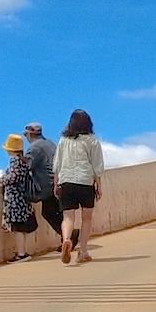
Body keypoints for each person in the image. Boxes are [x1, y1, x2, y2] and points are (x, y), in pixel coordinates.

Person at [53, 109, 104, 265]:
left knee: (68, 216)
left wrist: (56, 183)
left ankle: (67, 239)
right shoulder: (92, 140)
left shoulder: (63, 140)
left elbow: (57, 164)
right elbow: (97, 165)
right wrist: (99, 185)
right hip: (85, 181)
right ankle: (82, 251)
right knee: (86, 218)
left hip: (66, 181)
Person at [0, 135, 38, 262]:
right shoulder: (24, 161)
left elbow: (14, 177)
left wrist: (2, 180)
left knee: (17, 227)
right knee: (21, 227)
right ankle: (22, 251)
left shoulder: (14, 161)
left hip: (15, 200)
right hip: (23, 198)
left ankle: (21, 254)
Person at [22, 122, 62, 239]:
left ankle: (67, 236)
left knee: (48, 212)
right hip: (58, 181)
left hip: (47, 185)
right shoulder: (50, 143)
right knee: (55, 211)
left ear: (29, 134)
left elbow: (26, 166)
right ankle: (67, 237)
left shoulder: (34, 148)